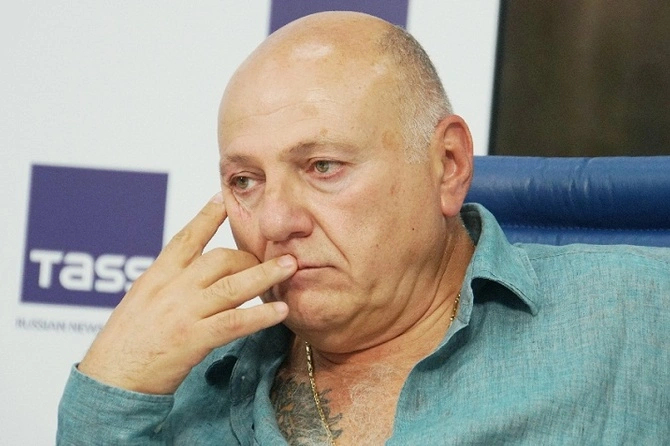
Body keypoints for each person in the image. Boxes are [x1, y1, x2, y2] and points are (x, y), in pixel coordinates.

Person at [57, 11, 670, 445]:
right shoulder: (181, 385)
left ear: (448, 165)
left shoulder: (639, 316)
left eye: (322, 167)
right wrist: (112, 390)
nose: (275, 221)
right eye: (245, 180)